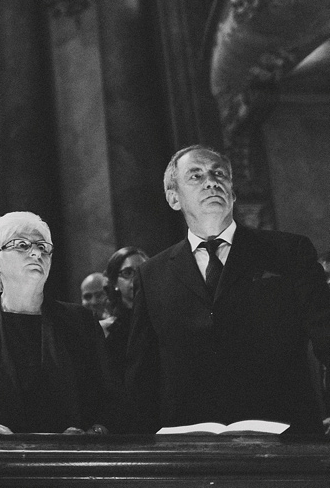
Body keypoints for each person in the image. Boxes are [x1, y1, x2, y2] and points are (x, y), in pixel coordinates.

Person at [127, 145, 330, 434]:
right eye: (196, 176)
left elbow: (326, 334)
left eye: (219, 174)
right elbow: (142, 374)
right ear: (174, 198)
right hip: (188, 442)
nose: (211, 181)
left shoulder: (289, 251)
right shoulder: (151, 274)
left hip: (286, 434)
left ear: (233, 193)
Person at [0, 211, 120, 434]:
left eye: (43, 247)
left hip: (68, 454)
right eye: (22, 245)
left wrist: (93, 433)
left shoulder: (80, 321)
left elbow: (112, 400)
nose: (37, 253)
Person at [101, 246, 149, 381]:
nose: (136, 278)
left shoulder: (161, 321)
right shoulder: (108, 330)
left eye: (142, 271)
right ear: (114, 282)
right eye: (128, 273)